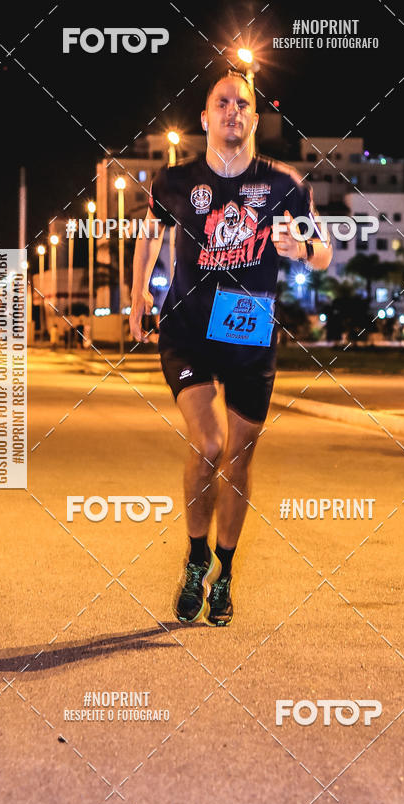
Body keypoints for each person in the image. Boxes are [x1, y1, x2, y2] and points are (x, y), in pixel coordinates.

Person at [130, 70, 333, 626]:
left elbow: (324, 253)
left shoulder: (285, 184)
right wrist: (136, 297)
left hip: (251, 335)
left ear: (255, 117)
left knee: (239, 458)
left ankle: (224, 571)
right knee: (211, 442)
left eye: (242, 104)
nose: (233, 112)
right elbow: (149, 234)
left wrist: (303, 247)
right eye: (222, 103)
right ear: (205, 118)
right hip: (189, 329)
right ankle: (195, 558)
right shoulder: (175, 181)